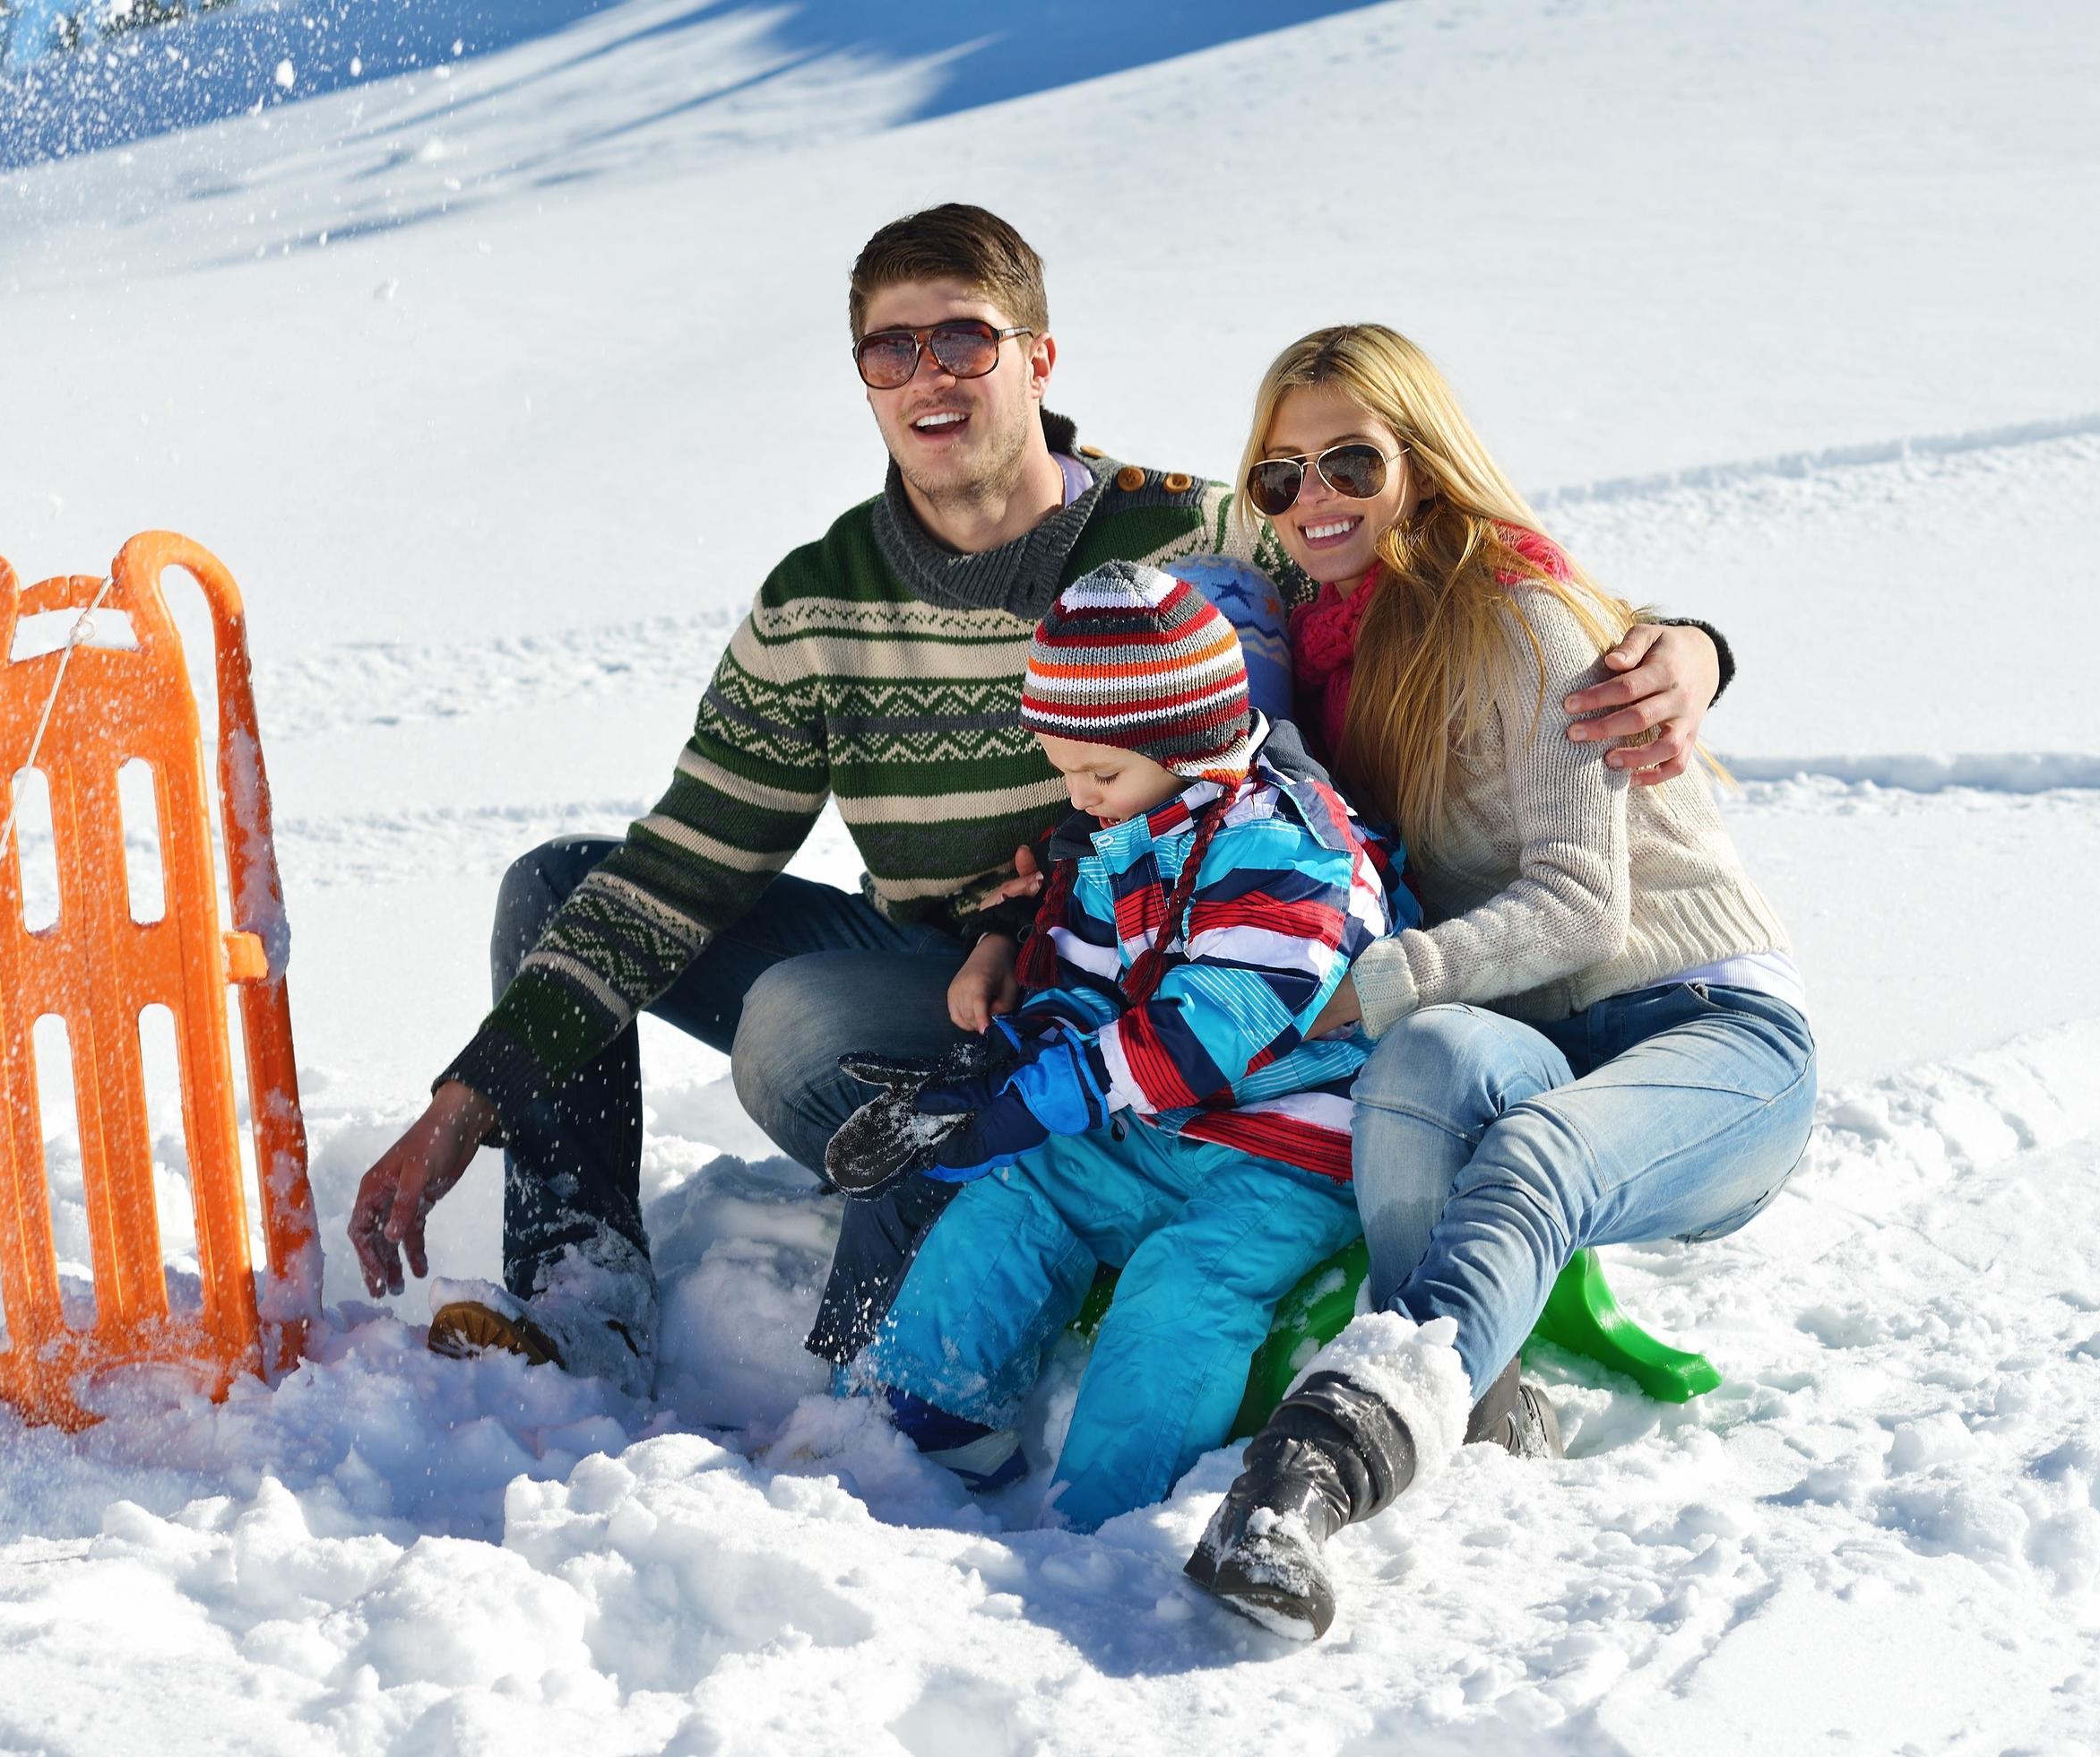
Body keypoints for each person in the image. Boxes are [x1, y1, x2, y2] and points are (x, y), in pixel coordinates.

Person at [343, 204, 1733, 1397]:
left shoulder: (1190, 538)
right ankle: (582, 1307)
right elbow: (682, 868)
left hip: (1142, 975)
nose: (928, 375)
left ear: (1038, 358)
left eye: (964, 339)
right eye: (892, 350)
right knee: (561, 888)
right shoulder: (821, 599)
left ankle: (996, 1201)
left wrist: (1676, 643)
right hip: (943, 966)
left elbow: (1412, 573)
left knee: (793, 1029)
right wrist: (475, 1095)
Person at [1187, 325, 1817, 1641]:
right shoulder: (1318, 646)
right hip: (1529, 1030)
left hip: (1706, 1027)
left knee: (1530, 1150)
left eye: (1351, 461)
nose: (1315, 501)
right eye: (1279, 477)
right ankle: (1481, 1391)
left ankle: (1324, 1466)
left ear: (1423, 461)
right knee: (1425, 1068)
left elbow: (1586, 906)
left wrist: (1376, 981)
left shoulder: (1517, 615)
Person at [823, 561, 1414, 1529]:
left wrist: (1041, 1099)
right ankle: (912, 1424)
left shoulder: (1288, 847)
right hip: (1154, 1124)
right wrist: (997, 1072)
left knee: (1183, 1283)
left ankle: (1108, 1513)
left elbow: (1204, 1034)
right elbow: (1089, 987)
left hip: (1283, 1144)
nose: (1081, 798)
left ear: (1188, 742)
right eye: (1065, 773)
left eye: (1098, 773)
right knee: (1016, 1192)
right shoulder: (1133, 826)